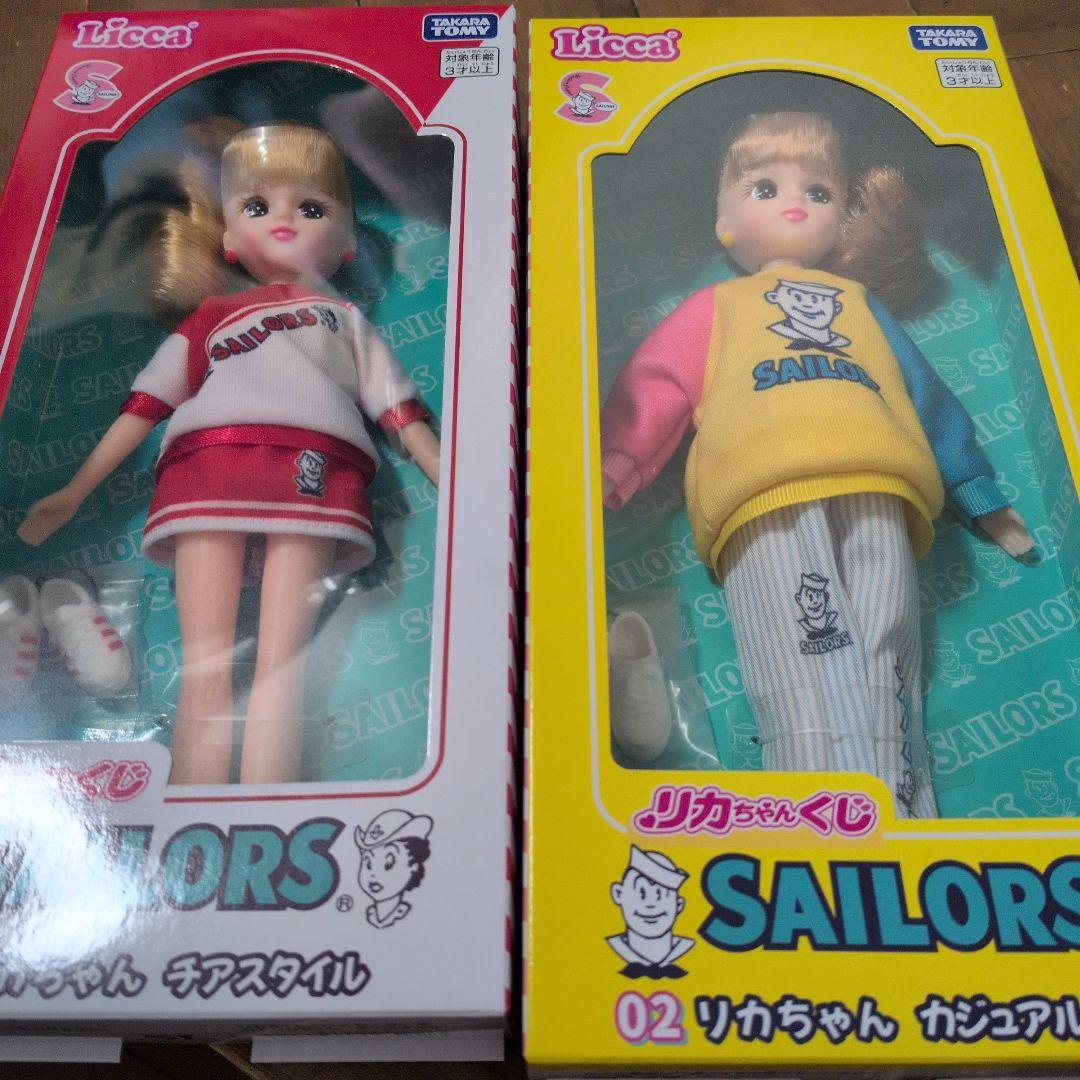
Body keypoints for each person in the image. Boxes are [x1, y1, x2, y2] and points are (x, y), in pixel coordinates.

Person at [600, 112, 1032, 818]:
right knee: (800, 640)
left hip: (879, 477)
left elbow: (920, 388)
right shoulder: (718, 305)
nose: (795, 203)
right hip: (761, 486)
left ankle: (901, 811)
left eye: (820, 191)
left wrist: (971, 482)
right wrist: (618, 460)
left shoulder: (859, 302)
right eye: (765, 187)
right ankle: (811, 808)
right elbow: (657, 383)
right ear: (724, 220)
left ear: (842, 216)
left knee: (888, 637)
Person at [19, 122, 440, 786]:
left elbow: (398, 411)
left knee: (280, 665)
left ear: (347, 241)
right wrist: (75, 491)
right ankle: (193, 809)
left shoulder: (345, 322)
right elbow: (146, 404)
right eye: (257, 206)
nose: (283, 221)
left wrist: (449, 476)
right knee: (207, 665)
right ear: (228, 238)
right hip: (207, 473)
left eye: (311, 207)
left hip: (312, 475)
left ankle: (265, 808)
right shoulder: (210, 318)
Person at [607, 845, 694, 979]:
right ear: (618, 894)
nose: (651, 905)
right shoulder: (608, 948)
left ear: (678, 904)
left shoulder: (687, 948)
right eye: (641, 893)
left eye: (660, 895)